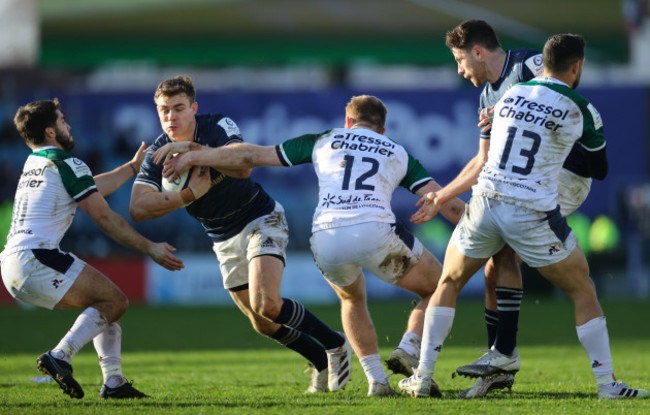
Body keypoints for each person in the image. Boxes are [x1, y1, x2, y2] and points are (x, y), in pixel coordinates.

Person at [152, 94, 466, 396]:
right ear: (382, 130)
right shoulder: (396, 151)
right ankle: (409, 347)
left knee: (352, 301)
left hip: (326, 237)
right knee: (438, 286)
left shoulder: (323, 139)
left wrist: (194, 155)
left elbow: (250, 156)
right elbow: (446, 204)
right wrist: (481, 225)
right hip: (375, 231)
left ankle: (377, 381)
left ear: (347, 121)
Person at [398, 33, 649, 400]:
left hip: (485, 201)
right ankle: (606, 384)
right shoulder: (582, 108)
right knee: (582, 289)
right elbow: (600, 169)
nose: (460, 69)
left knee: (450, 282)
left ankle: (426, 375)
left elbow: (489, 154)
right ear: (577, 66)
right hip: (531, 208)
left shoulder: (508, 97)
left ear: (541, 63)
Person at [129, 76, 351, 394]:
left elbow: (243, 165)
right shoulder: (158, 152)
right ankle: (320, 361)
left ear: (193, 108)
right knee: (262, 322)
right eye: (164, 111)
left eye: (178, 109)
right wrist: (188, 195)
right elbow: (138, 208)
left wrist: (193, 153)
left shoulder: (218, 125)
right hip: (222, 238)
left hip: (260, 217)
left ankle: (335, 344)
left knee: (268, 304)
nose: (171, 118)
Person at [442, 19, 598, 398]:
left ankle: (503, 355)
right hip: (526, 184)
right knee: (495, 267)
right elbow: (484, 159)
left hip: (561, 174)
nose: (460, 70)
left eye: (461, 60)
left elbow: (562, 93)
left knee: (503, 249)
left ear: (478, 52)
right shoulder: (484, 98)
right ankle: (498, 362)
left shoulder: (527, 66)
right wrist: (442, 194)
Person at [0, 99, 185, 400]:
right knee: (116, 301)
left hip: (12, 264)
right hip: (36, 258)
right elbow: (104, 217)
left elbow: (87, 188)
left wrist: (131, 167)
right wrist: (149, 247)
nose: (68, 125)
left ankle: (114, 382)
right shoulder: (66, 163)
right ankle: (61, 355)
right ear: (50, 131)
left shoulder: (35, 163)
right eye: (62, 121)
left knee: (106, 304)